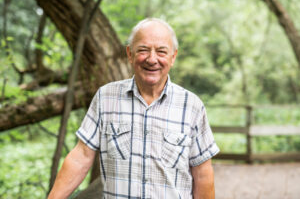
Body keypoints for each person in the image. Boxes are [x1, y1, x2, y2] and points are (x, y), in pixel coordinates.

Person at [48, 18, 219, 199]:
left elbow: (202, 173)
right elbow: (81, 156)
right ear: (129, 54)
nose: (152, 59)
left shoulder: (192, 106)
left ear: (173, 57)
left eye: (161, 51)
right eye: (143, 50)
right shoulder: (106, 97)